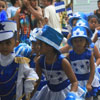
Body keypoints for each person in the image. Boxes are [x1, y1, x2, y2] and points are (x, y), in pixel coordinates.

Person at [30, 25, 79, 100]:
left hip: (64, 93)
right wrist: (30, 95)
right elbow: (37, 80)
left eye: (40, 44)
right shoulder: (40, 61)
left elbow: (74, 82)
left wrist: (72, 94)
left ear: (49, 47)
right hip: (49, 92)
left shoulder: (63, 62)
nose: (37, 47)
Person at [0, 20, 39, 100]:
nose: (4, 47)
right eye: (0, 43)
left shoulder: (20, 60)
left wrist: (29, 81)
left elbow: (31, 73)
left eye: (8, 43)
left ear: (16, 43)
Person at [67, 26, 95, 100]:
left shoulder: (89, 54)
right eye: (75, 41)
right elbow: (67, 69)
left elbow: (92, 70)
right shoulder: (70, 54)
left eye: (81, 40)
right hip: (75, 82)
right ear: (72, 42)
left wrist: (89, 83)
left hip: (87, 80)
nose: (78, 43)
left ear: (86, 41)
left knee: (88, 98)